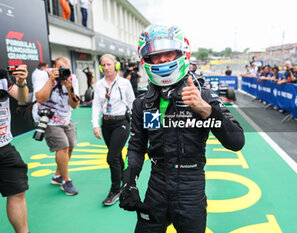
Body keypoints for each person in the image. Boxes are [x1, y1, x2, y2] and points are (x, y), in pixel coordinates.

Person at [119, 24, 245, 233]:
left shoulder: (203, 95)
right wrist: (129, 183)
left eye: (168, 53)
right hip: (156, 185)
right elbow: (135, 148)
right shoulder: (142, 103)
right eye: (155, 55)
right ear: (146, 60)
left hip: (190, 187)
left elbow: (237, 141)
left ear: (182, 53)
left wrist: (206, 111)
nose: (162, 60)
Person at [32, 57, 80, 195]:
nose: (62, 71)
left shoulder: (72, 78)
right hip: (48, 118)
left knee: (70, 146)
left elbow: (75, 105)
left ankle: (57, 176)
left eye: (65, 69)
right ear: (54, 67)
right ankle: (66, 181)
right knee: (62, 147)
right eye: (60, 68)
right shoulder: (43, 75)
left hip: (65, 117)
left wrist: (70, 88)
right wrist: (51, 80)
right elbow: (40, 98)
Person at [92, 54, 135, 206]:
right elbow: (96, 105)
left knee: (111, 157)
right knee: (116, 156)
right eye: (103, 65)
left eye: (109, 64)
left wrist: (136, 123)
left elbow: (132, 102)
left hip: (121, 122)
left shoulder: (124, 83)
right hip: (106, 124)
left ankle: (115, 190)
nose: (106, 67)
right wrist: (95, 124)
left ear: (115, 65)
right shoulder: (99, 84)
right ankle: (125, 180)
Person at [0, 65, 29, 233]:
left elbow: (22, 98)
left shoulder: (3, 78)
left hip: (5, 146)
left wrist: (22, 82)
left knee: (17, 192)